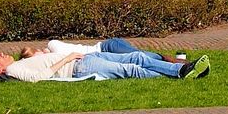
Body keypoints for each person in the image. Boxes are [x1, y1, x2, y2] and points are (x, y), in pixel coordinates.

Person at [0, 50, 209, 82]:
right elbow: (38, 78)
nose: (3, 55)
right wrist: (66, 59)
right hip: (77, 67)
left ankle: (182, 69)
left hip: (83, 59)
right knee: (131, 69)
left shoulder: (19, 63)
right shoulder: (13, 70)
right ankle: (180, 71)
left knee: (137, 56)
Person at [21, 38, 180, 63]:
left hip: (106, 47)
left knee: (139, 55)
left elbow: (63, 56)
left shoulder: (52, 45)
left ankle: (174, 60)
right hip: (104, 53)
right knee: (138, 57)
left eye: (37, 56)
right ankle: (172, 61)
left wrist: (48, 55)